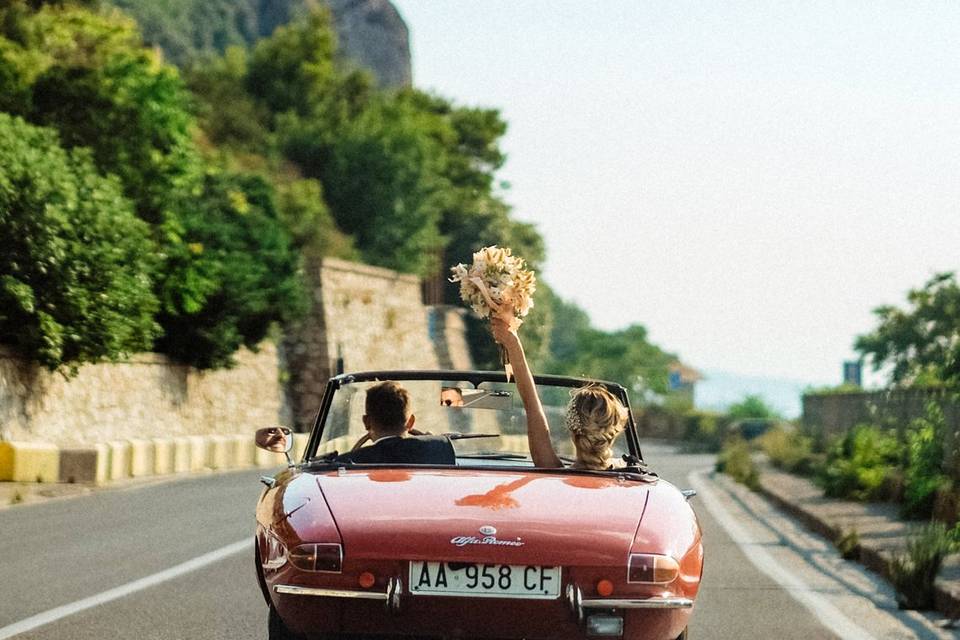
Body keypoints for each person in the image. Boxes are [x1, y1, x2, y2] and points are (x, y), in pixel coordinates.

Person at [491, 317, 628, 470]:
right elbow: (532, 406)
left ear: (573, 429)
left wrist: (512, 342)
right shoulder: (634, 479)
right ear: (614, 431)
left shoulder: (549, 468)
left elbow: (532, 405)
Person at [335, 380, 456, 465]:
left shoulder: (344, 463)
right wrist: (429, 442)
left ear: (366, 422)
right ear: (411, 422)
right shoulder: (438, 449)